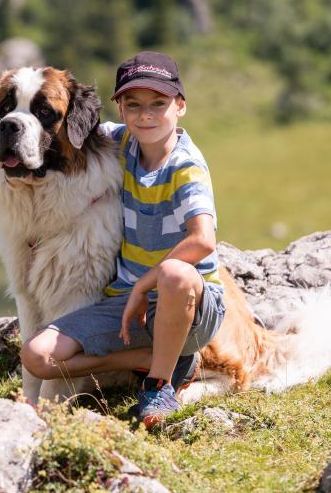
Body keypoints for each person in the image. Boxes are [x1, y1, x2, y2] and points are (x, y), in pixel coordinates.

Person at [20, 51, 226, 428]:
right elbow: (74, 130)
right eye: (133, 105)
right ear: (120, 108)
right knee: (36, 355)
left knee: (175, 275)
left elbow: (203, 240)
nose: (146, 114)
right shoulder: (124, 142)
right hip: (130, 308)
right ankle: (144, 359)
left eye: (158, 104)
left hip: (192, 307)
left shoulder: (186, 165)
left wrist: (144, 283)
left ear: (180, 106)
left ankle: (159, 386)